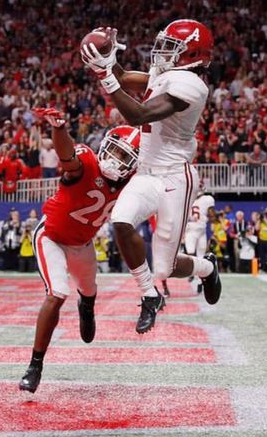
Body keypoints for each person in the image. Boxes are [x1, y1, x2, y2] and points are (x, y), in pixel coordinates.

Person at [81, 20, 221, 334]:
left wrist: (106, 77)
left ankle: (207, 267)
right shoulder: (166, 75)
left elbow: (138, 115)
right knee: (120, 220)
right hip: (146, 172)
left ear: (193, 55)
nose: (162, 51)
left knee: (166, 267)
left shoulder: (193, 86)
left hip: (174, 177)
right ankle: (149, 295)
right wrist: (104, 61)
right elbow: (125, 78)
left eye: (173, 47)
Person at [19, 108, 140, 394]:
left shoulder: (132, 185)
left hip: (83, 244)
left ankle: (86, 307)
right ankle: (35, 365)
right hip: (51, 236)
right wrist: (60, 129)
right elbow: (67, 156)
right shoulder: (87, 161)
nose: (115, 160)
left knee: (89, 289)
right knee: (57, 293)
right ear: (105, 145)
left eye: (124, 157)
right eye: (114, 151)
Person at [184, 188, 215, 293]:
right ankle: (199, 280)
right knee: (198, 257)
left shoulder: (187, 198)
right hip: (198, 229)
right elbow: (212, 217)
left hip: (193, 230)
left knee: (194, 256)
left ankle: (196, 277)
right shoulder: (206, 199)